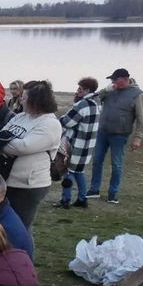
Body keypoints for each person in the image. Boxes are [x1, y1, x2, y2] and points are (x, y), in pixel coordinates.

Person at [0, 80, 62, 230]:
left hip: (28, 186)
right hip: (7, 180)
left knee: (19, 228)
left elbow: (23, 147)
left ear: (36, 101)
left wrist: (0, 142)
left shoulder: (50, 124)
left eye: (25, 97)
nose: (21, 100)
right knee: (1, 226)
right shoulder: (21, 117)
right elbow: (0, 134)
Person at [87, 68, 143, 205]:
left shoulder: (137, 94)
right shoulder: (110, 90)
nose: (113, 82)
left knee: (116, 164)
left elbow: (142, 118)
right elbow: (94, 99)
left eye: (115, 79)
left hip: (120, 134)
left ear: (125, 79)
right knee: (97, 160)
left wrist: (138, 138)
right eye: (112, 80)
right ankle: (94, 189)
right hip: (102, 131)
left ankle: (113, 193)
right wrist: (106, 90)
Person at [55, 77, 101, 209]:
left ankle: (66, 199)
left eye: (80, 89)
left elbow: (67, 121)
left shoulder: (83, 105)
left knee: (68, 171)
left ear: (87, 90)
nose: (77, 91)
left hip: (75, 144)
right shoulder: (96, 104)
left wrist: (61, 119)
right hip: (88, 145)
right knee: (79, 171)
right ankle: (82, 198)